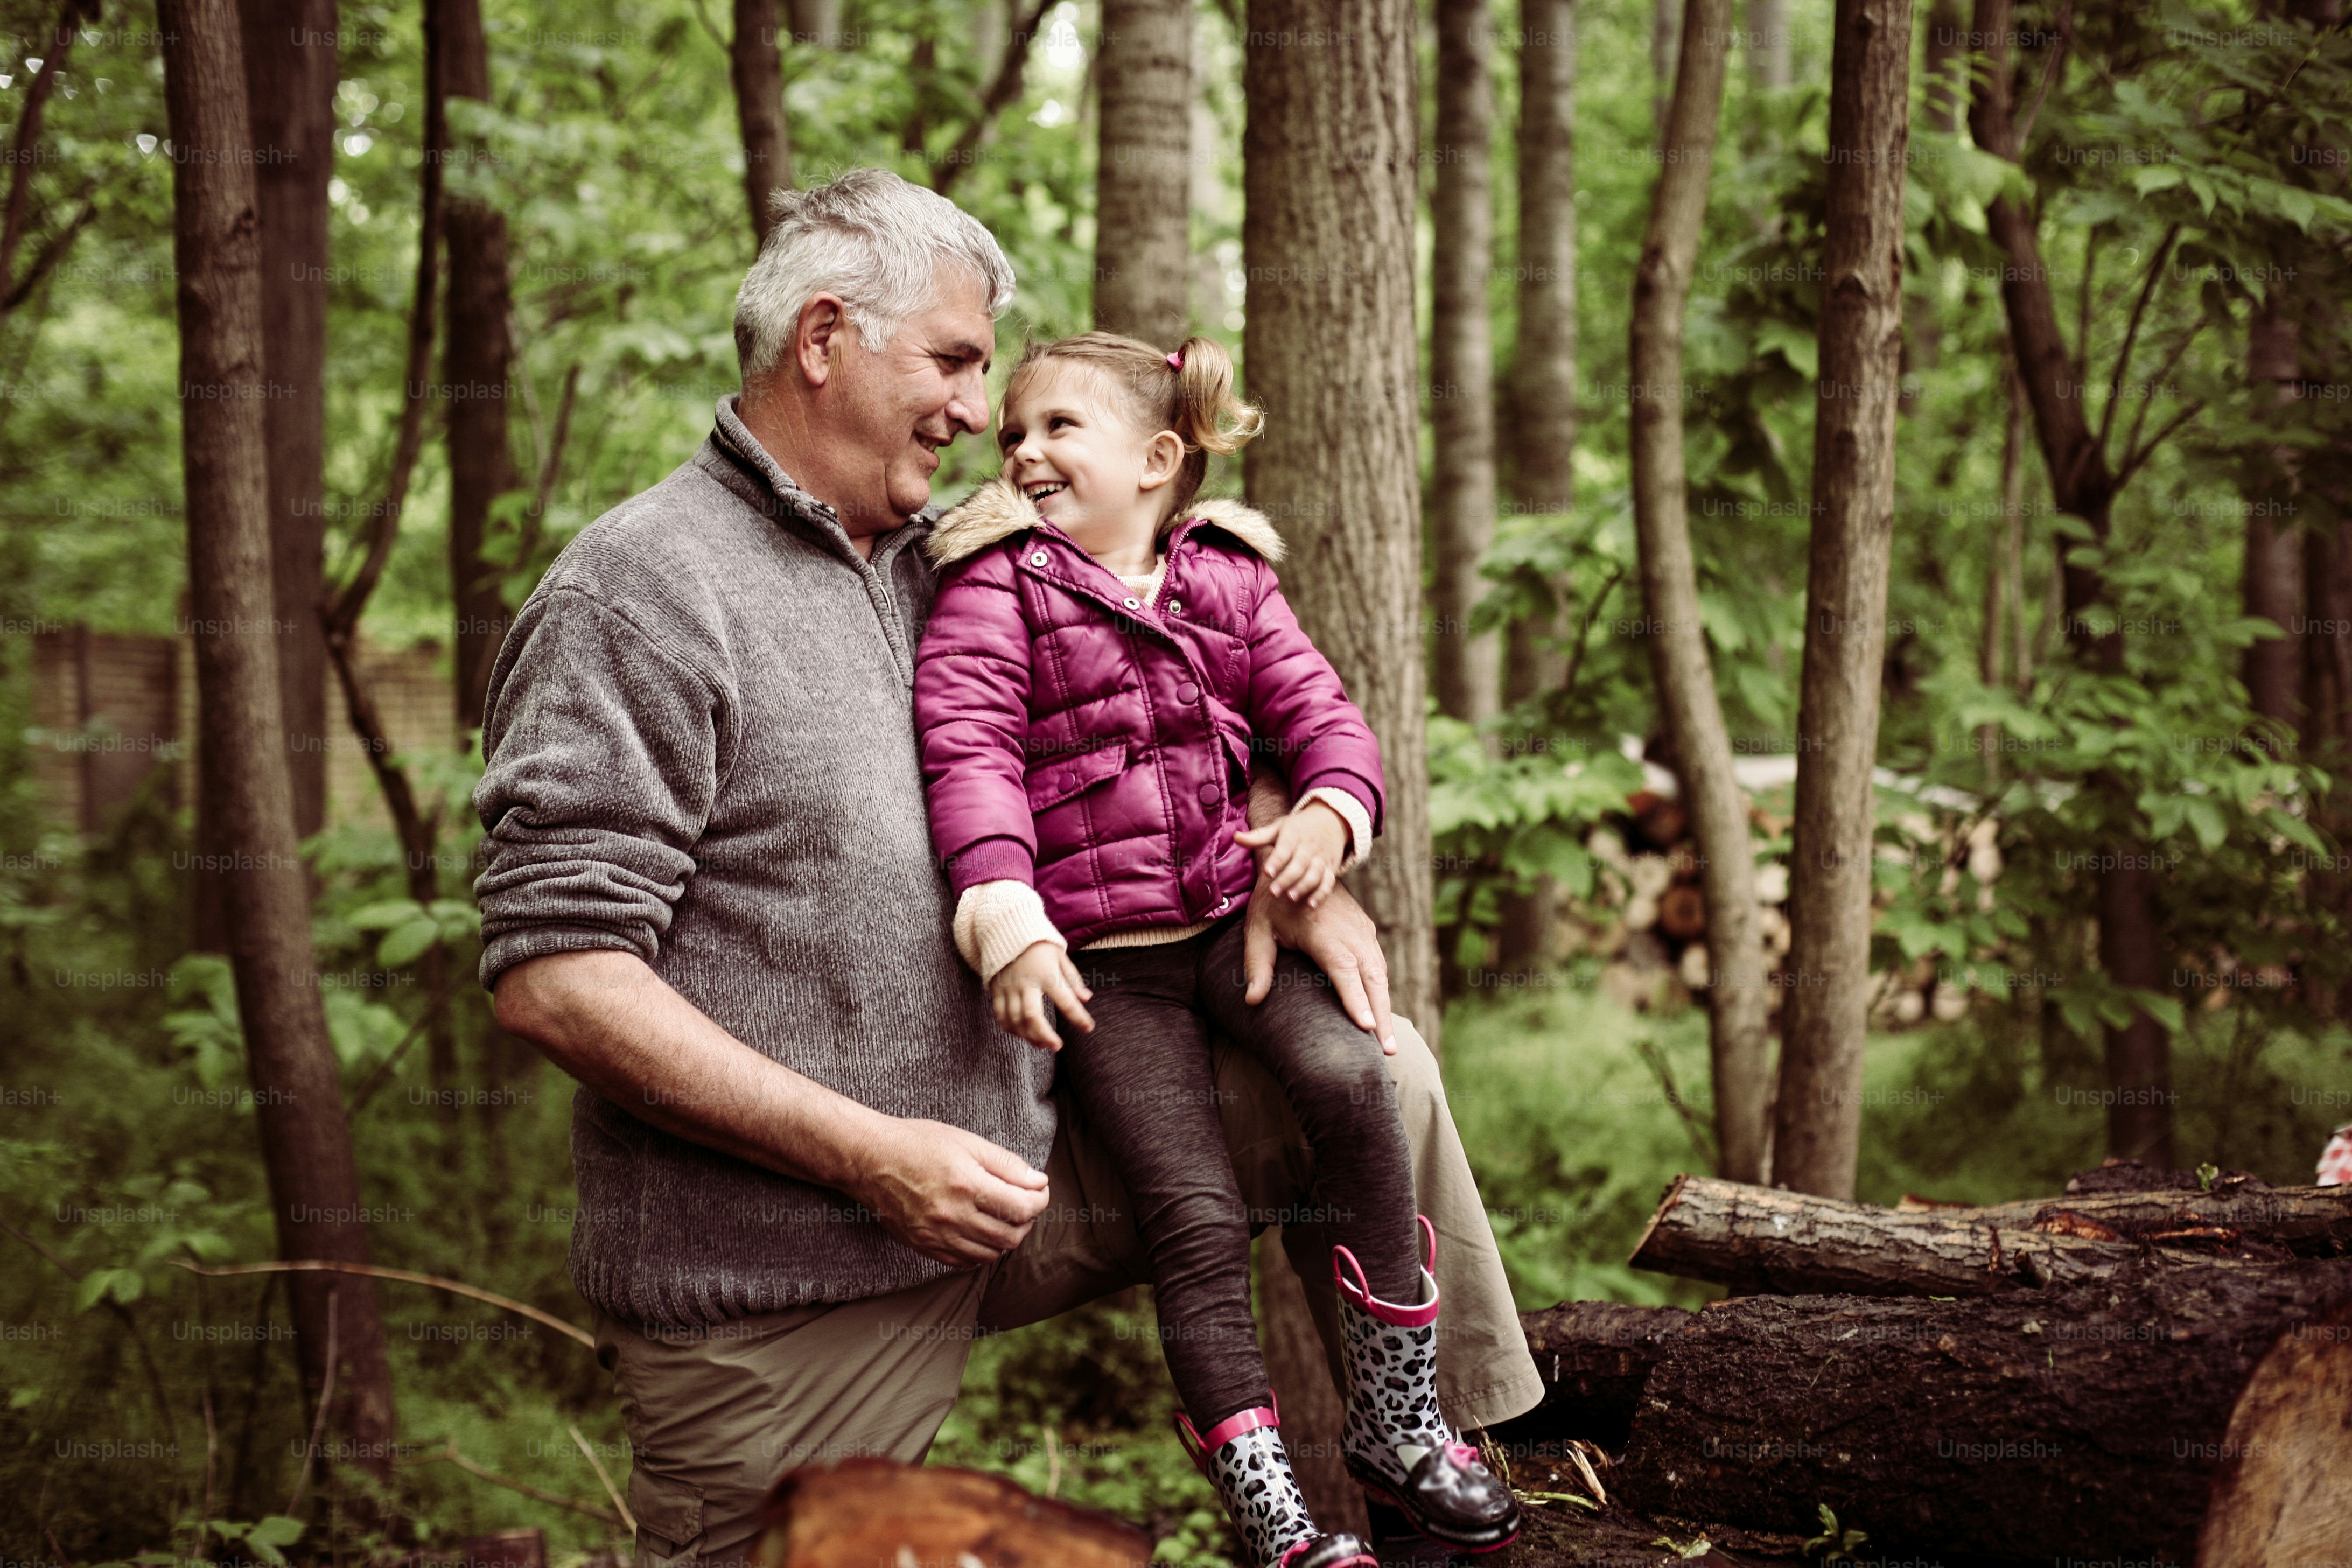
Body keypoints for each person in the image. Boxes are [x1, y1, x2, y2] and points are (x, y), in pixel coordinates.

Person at [474, 169, 1541, 1568]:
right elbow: (556, 981)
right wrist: (871, 1158)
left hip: (1036, 1165)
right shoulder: (642, 595)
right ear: (822, 338)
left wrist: (1296, 840)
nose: (983, 414)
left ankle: (1434, 1480)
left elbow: (1184, 675)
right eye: (956, 361)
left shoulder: (973, 556)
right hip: (791, 1266)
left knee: (1369, 1067)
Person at [913, 331, 1520, 1567]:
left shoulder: (1230, 579)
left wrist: (1328, 814)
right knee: (1188, 1214)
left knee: (1359, 1075)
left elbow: (1324, 715)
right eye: (1012, 432)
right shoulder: (993, 591)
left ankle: (1399, 1424)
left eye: (1057, 428)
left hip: (1232, 934)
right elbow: (968, 760)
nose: (1022, 449)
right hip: (1113, 970)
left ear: (1157, 457)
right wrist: (1007, 920)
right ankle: (1274, 1513)